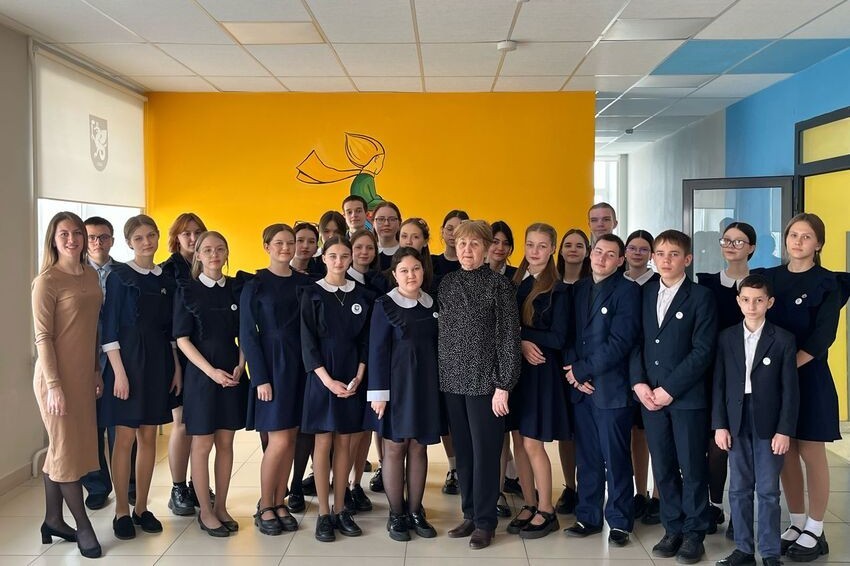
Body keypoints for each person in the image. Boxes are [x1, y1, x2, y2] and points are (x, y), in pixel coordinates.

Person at [632, 229, 717, 564]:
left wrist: (669, 390)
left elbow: (703, 350)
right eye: (660, 254)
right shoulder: (645, 293)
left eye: (674, 254)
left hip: (686, 399)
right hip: (650, 398)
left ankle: (695, 533)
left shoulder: (701, 297)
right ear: (653, 257)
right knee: (663, 466)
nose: (666, 260)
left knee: (692, 467)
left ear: (688, 259)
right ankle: (673, 528)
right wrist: (639, 384)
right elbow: (636, 342)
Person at [763, 213, 842, 561]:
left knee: (811, 450)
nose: (797, 241)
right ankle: (796, 522)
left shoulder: (828, 283)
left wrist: (787, 366)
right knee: (786, 451)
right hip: (774, 380)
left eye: (806, 236)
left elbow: (824, 335)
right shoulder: (770, 278)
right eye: (793, 235)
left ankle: (816, 527)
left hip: (809, 377)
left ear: (818, 244)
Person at [439, 220, 521, 550]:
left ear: (487, 248)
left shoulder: (499, 286)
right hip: (452, 382)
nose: (467, 250)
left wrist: (504, 385)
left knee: (486, 454)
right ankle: (470, 513)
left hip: (486, 384)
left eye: (474, 244)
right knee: (464, 453)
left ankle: (486, 522)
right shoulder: (447, 283)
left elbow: (508, 338)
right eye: (462, 244)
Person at [101, 215, 180, 540]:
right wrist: (119, 373)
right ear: (129, 243)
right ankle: (121, 509)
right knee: (124, 438)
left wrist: (176, 368)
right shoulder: (120, 277)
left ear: (158, 236)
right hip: (127, 363)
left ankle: (142, 507)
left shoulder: (167, 279)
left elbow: (171, 331)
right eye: (138, 238)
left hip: (158, 363)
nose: (146, 242)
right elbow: (109, 329)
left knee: (149, 437)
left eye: (150, 235)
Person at [713, 274, 799, 566]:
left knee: (768, 490)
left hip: (769, 423)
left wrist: (784, 430)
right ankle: (744, 549)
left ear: (769, 303)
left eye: (759, 300)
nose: (752, 306)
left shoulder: (783, 339)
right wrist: (720, 424)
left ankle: (770, 552)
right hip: (736, 419)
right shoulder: (726, 338)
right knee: (738, 488)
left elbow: (790, 390)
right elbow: (719, 385)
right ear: (738, 301)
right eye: (746, 300)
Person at [33, 211, 103, 558]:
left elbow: (93, 328)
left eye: (78, 233)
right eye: (65, 234)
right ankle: (83, 526)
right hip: (55, 380)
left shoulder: (91, 274)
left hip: (83, 377)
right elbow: (43, 337)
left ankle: (53, 521)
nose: (72, 239)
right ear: (54, 239)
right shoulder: (46, 281)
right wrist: (54, 385)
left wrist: (96, 370)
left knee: (62, 451)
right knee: (66, 453)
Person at [564, 234, 641, 546]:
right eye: (598, 252)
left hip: (612, 388)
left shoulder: (628, 291)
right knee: (588, 457)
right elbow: (569, 334)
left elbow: (621, 342)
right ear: (590, 254)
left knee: (615, 457)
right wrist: (573, 371)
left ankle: (620, 522)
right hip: (581, 388)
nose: (602, 258)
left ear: (620, 260)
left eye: (610, 254)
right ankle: (588, 516)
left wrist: (582, 370)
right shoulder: (579, 288)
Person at [174, 231, 247, 537]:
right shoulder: (187, 289)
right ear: (198, 255)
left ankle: (221, 506)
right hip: (201, 377)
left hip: (232, 374)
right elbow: (182, 339)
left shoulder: (235, 289)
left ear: (227, 252)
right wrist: (211, 372)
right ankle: (205, 509)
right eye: (207, 250)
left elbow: (246, 332)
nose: (214, 254)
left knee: (226, 443)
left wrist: (241, 364)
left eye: (219, 249)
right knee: (202, 444)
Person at [240, 224, 312, 535]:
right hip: (271, 364)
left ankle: (280, 501)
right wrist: (259, 377)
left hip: (300, 363)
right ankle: (265, 505)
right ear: (267, 246)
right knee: (278, 440)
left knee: (292, 439)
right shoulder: (255, 284)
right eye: (279, 243)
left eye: (290, 242)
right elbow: (247, 335)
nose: (286, 247)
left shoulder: (304, 283)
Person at [300, 236, 373, 542]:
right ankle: (323, 513)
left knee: (345, 442)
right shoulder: (312, 293)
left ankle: (341, 507)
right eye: (333, 256)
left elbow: (366, 341)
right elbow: (307, 343)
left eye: (345, 255)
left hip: (352, 375)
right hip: (322, 378)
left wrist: (358, 376)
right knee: (323, 442)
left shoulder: (362, 295)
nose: (339, 261)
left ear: (351, 258)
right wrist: (327, 381)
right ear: (324, 258)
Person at [367, 247, 440, 542]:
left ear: (423, 271)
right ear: (395, 275)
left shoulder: (432, 303)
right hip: (396, 388)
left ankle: (415, 510)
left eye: (416, 269)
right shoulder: (385, 305)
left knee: (419, 447)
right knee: (395, 448)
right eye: (404, 270)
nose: (411, 275)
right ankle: (396, 513)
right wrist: (378, 394)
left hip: (426, 386)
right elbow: (376, 350)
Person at [508, 223, 571, 539]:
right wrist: (520, 341)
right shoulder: (513, 282)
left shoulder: (558, 290)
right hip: (515, 372)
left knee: (533, 442)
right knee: (519, 440)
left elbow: (559, 337)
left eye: (542, 246)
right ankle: (529, 502)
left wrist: (523, 335)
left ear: (552, 249)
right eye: (530, 244)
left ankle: (547, 510)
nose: (535, 251)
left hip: (541, 372)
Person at [698, 221, 758, 539]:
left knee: (745, 446)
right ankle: (714, 505)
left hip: (752, 375)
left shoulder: (761, 285)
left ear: (751, 247)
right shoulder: (707, 283)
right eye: (727, 240)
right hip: (714, 373)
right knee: (716, 445)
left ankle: (741, 512)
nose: (731, 246)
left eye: (739, 241)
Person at [160, 212, 209, 516]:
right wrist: (176, 365)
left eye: (197, 232)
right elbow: (168, 324)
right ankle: (178, 488)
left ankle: (196, 484)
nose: (192, 238)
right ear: (176, 238)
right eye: (186, 233)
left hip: (204, 355)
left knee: (201, 426)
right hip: (177, 355)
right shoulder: (168, 271)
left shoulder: (206, 266)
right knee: (182, 422)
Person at [623, 230, 661, 525]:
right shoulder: (617, 281)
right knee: (635, 433)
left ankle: (659, 495)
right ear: (625, 252)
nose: (637, 253)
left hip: (653, 370)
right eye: (632, 248)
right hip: (622, 370)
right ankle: (639, 493)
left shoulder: (659, 283)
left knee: (656, 434)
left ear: (651, 254)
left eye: (643, 249)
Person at [80, 216, 119, 511]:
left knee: (122, 427)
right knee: (90, 427)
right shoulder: (75, 273)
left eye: (103, 237)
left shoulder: (124, 273)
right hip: (84, 358)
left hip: (118, 359)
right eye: (91, 237)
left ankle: (128, 484)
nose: (97, 242)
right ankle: (97, 486)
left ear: (112, 240)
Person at [552, 227, 591, 515]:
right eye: (568, 245)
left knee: (584, 433)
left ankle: (588, 488)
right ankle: (570, 487)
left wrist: (581, 369)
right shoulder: (551, 283)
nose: (573, 249)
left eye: (579, 245)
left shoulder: (592, 284)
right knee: (565, 431)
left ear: (587, 251)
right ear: (561, 250)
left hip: (585, 369)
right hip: (554, 365)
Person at [432, 209, 470, 495]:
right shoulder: (433, 265)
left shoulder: (475, 267)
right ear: (443, 231)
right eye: (449, 228)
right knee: (448, 415)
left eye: (460, 229)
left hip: (471, 352)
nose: (454, 234)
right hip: (439, 346)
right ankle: (454, 466)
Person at [345, 229, 382, 514]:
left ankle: (356, 483)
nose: (364, 252)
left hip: (372, 362)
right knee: (348, 432)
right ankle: (342, 485)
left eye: (370, 247)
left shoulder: (378, 282)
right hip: (346, 364)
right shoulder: (340, 282)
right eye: (359, 247)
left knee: (365, 429)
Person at [372, 201, 402, 270]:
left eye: (392, 219)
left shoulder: (406, 252)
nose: (386, 223)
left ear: (399, 223)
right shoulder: (366, 252)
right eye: (381, 219)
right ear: (373, 223)